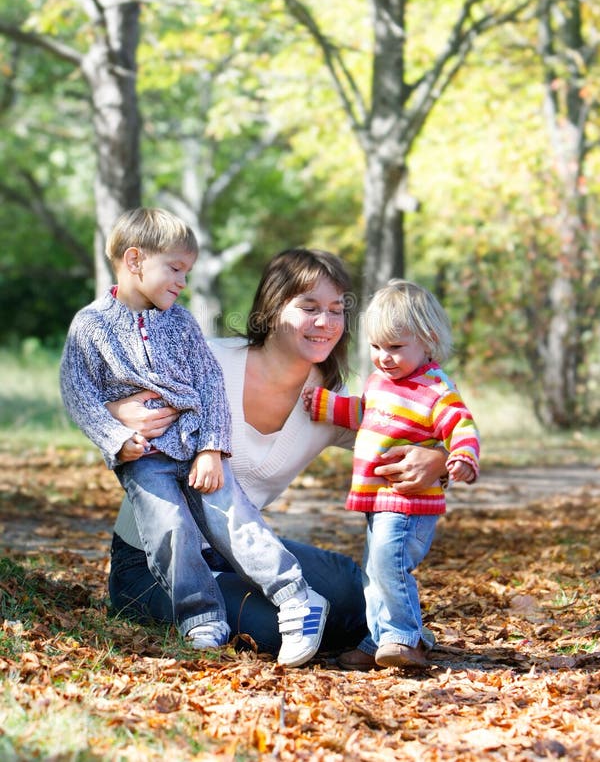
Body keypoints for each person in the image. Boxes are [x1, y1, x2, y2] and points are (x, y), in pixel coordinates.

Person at [106, 250, 450, 669]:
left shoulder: (326, 402)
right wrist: (123, 412)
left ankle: (386, 632)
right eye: (309, 307)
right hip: (152, 562)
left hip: (243, 554)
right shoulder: (209, 361)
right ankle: (344, 624)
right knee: (267, 630)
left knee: (350, 586)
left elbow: (436, 425)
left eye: (336, 310)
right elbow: (109, 396)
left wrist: (438, 459)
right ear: (272, 308)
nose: (325, 323)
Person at [60, 209, 329, 667]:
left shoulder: (181, 323)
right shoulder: (91, 326)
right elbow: (77, 391)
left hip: (194, 442)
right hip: (144, 458)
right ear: (135, 260)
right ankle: (200, 617)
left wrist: (211, 448)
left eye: (187, 270)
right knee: (170, 529)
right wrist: (116, 437)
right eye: (175, 268)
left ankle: (298, 598)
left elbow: (209, 388)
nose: (182, 281)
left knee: (237, 522)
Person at [303, 279, 480, 670]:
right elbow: (365, 415)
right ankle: (377, 638)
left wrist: (463, 456)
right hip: (380, 500)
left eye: (396, 348)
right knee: (374, 569)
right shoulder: (381, 383)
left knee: (390, 564)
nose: (384, 357)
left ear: (428, 340)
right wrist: (325, 405)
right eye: (377, 347)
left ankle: (405, 637)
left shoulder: (435, 388)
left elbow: (461, 425)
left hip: (410, 501)